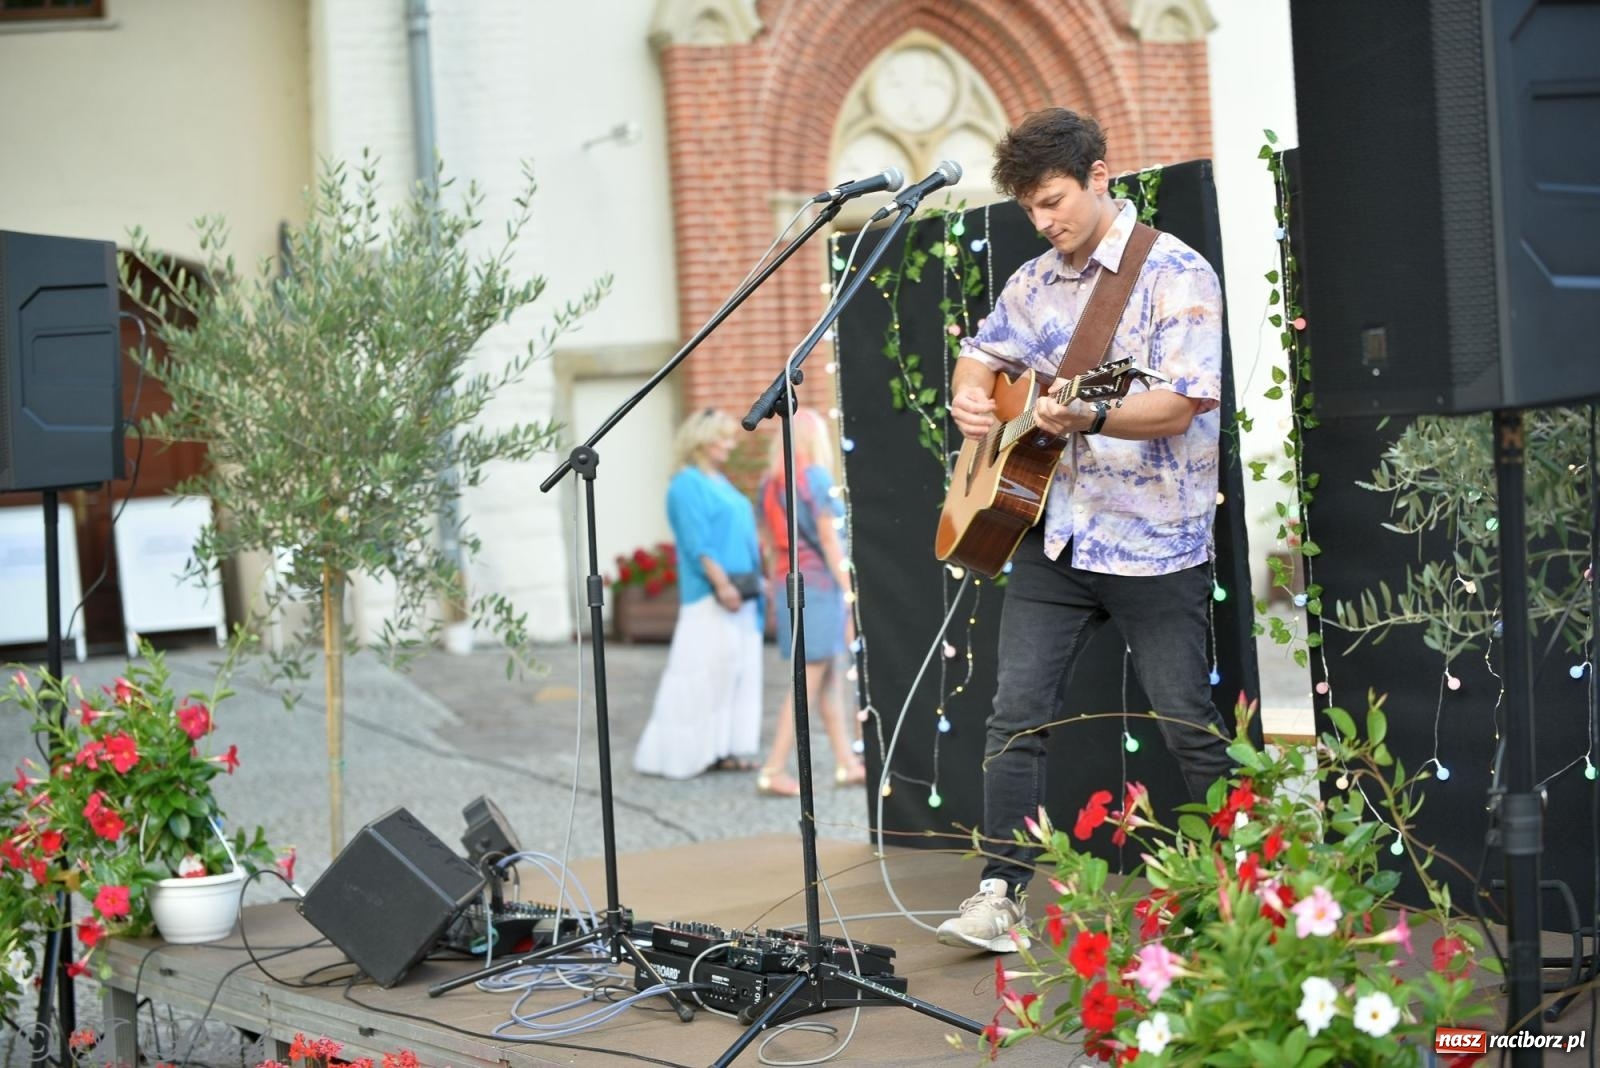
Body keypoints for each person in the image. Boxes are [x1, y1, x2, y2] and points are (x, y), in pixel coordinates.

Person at [934, 108, 1235, 953]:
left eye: (1056, 200)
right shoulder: (1032, 282)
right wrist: (970, 390)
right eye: (1031, 208)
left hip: (1154, 541)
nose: (1046, 221)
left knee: (1188, 725)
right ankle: (999, 894)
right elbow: (984, 351)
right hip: (1052, 534)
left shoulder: (1176, 274)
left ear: (1103, 174)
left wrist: (1091, 413)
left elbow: (1179, 403)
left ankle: (1247, 883)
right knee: (1014, 719)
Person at [633, 409, 764, 779]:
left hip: (743, 592)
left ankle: (724, 748)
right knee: (700, 674)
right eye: (722, 437)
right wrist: (721, 584)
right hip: (713, 596)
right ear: (701, 441)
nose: (729, 444)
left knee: (733, 674)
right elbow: (697, 543)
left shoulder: (719, 481)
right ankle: (685, 753)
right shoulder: (685, 485)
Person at [753, 408, 864, 797]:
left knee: (826, 678)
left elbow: (767, 545)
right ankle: (773, 768)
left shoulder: (769, 483)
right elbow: (830, 541)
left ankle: (846, 763)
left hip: (788, 586)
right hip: (818, 587)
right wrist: (850, 589)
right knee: (806, 682)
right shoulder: (814, 479)